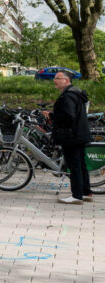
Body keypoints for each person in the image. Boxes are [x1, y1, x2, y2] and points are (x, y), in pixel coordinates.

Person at [50, 69, 93, 204]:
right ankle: (86, 193)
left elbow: (68, 116)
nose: (54, 81)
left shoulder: (68, 96)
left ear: (66, 80)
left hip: (71, 136)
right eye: (55, 78)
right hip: (80, 133)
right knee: (81, 164)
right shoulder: (76, 93)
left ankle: (76, 196)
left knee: (74, 166)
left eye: (58, 78)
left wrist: (52, 116)